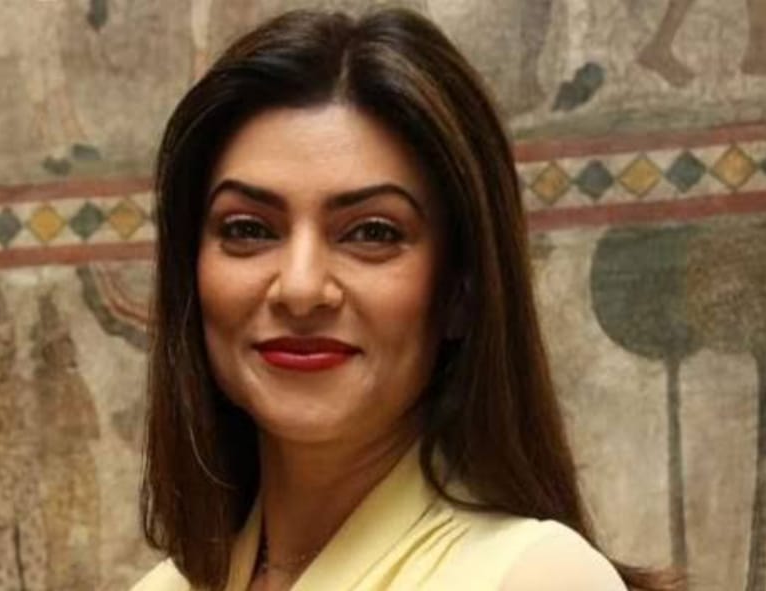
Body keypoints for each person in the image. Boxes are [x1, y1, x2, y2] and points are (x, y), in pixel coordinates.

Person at [132, 8, 682, 591]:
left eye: (372, 232)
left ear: (461, 289)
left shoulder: (533, 576)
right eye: (248, 229)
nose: (300, 288)